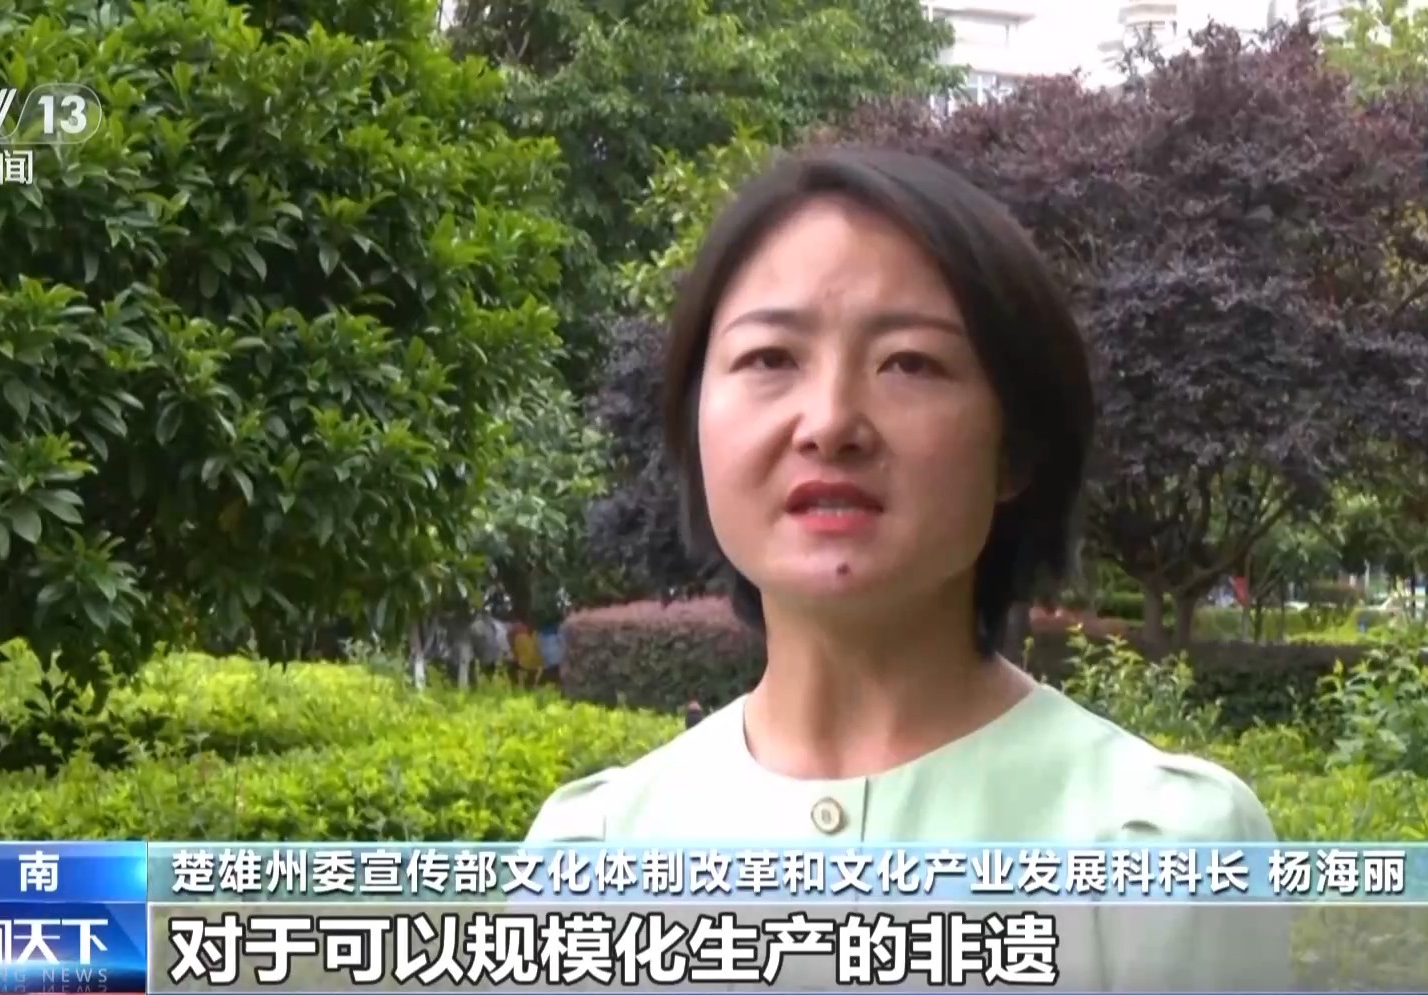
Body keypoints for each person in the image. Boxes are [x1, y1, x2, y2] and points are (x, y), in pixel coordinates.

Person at [524, 148, 1290, 989]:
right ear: (696, 422)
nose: (830, 423)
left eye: (910, 363)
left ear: (1015, 448)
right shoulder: (594, 857)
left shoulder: (1162, 851)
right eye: (770, 358)